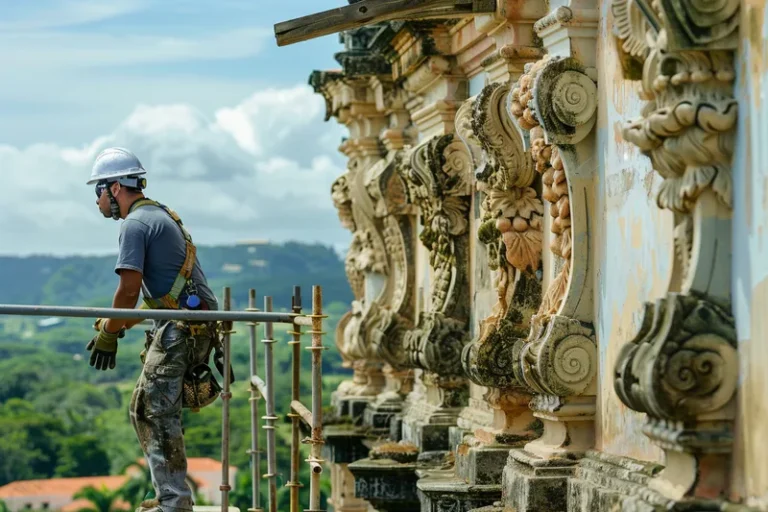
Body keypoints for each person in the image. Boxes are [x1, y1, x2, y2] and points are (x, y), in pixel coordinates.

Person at [86, 147, 221, 512]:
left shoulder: (135, 224)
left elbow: (129, 290)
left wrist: (109, 334)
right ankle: (170, 498)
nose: (97, 201)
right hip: (188, 323)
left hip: (184, 328)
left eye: (97, 191)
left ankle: (173, 503)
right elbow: (158, 300)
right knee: (146, 407)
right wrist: (115, 323)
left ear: (114, 188)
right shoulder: (159, 215)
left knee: (152, 410)